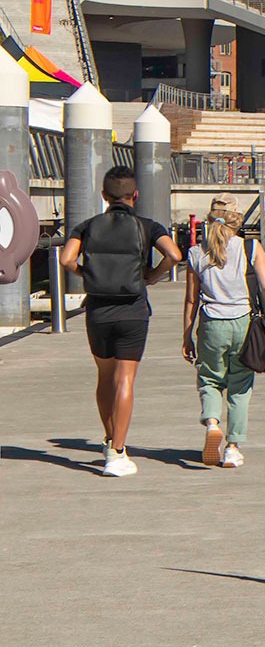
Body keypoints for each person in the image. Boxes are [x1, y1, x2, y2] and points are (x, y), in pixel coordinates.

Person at [59, 167, 180, 477]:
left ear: (104, 196)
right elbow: (175, 255)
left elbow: (66, 260)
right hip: (133, 311)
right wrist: (152, 274)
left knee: (104, 377)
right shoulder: (147, 226)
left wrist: (86, 275)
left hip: (98, 312)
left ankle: (112, 439)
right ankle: (117, 452)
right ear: (135, 195)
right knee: (125, 380)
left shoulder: (86, 226)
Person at [183, 197, 265, 468]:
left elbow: (191, 299)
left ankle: (212, 423)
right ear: (237, 220)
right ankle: (233, 447)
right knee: (240, 384)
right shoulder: (250, 247)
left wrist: (187, 335)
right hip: (243, 320)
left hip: (211, 322)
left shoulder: (196, 252)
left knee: (209, 379)